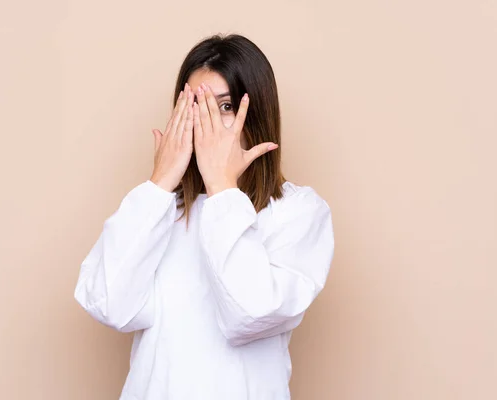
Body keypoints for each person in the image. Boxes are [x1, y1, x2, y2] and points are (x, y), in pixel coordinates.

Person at [74, 33, 335, 400]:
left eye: (225, 107)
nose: (209, 123)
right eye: (196, 107)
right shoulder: (164, 210)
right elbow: (108, 303)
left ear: (256, 113)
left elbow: (249, 312)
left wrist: (223, 188)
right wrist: (160, 183)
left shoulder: (298, 212)